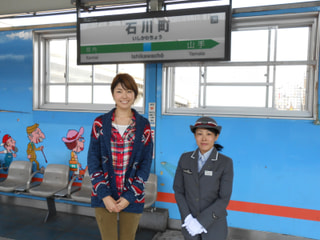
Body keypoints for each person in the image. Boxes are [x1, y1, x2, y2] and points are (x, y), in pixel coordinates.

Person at [87, 73, 153, 240]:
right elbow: (93, 161)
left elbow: (145, 164)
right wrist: (104, 195)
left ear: (135, 95)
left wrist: (129, 196)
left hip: (133, 196)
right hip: (104, 196)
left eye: (129, 91)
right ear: (113, 94)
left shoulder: (144, 125)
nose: (125, 96)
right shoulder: (100, 124)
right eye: (119, 91)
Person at [173, 116, 233, 240]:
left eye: (209, 134)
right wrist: (187, 218)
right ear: (195, 136)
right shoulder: (185, 158)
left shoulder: (225, 162)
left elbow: (224, 198)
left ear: (216, 137)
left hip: (214, 226)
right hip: (189, 226)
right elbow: (178, 190)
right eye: (199, 134)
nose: (204, 138)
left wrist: (201, 222)